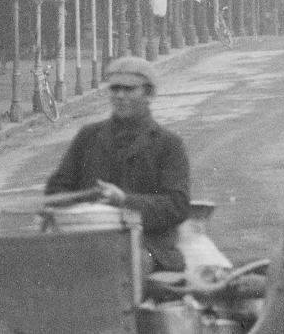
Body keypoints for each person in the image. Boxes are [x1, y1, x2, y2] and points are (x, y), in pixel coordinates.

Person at [45, 56, 190, 272]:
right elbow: (57, 189)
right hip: (87, 240)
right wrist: (85, 202)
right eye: (114, 88)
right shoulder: (88, 137)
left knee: (122, 265)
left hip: (148, 246)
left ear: (149, 94)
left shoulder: (168, 144)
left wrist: (124, 200)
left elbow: (177, 206)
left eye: (129, 89)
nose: (120, 96)